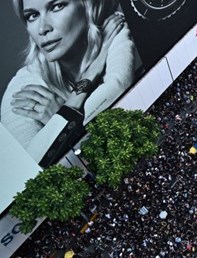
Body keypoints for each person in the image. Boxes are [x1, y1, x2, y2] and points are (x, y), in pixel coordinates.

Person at [1, 0, 137, 166]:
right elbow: (31, 166)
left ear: (87, 5)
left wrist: (61, 121)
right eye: (32, 16)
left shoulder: (111, 28)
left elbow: (118, 86)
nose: (43, 29)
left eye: (57, 6)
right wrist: (90, 74)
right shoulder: (20, 90)